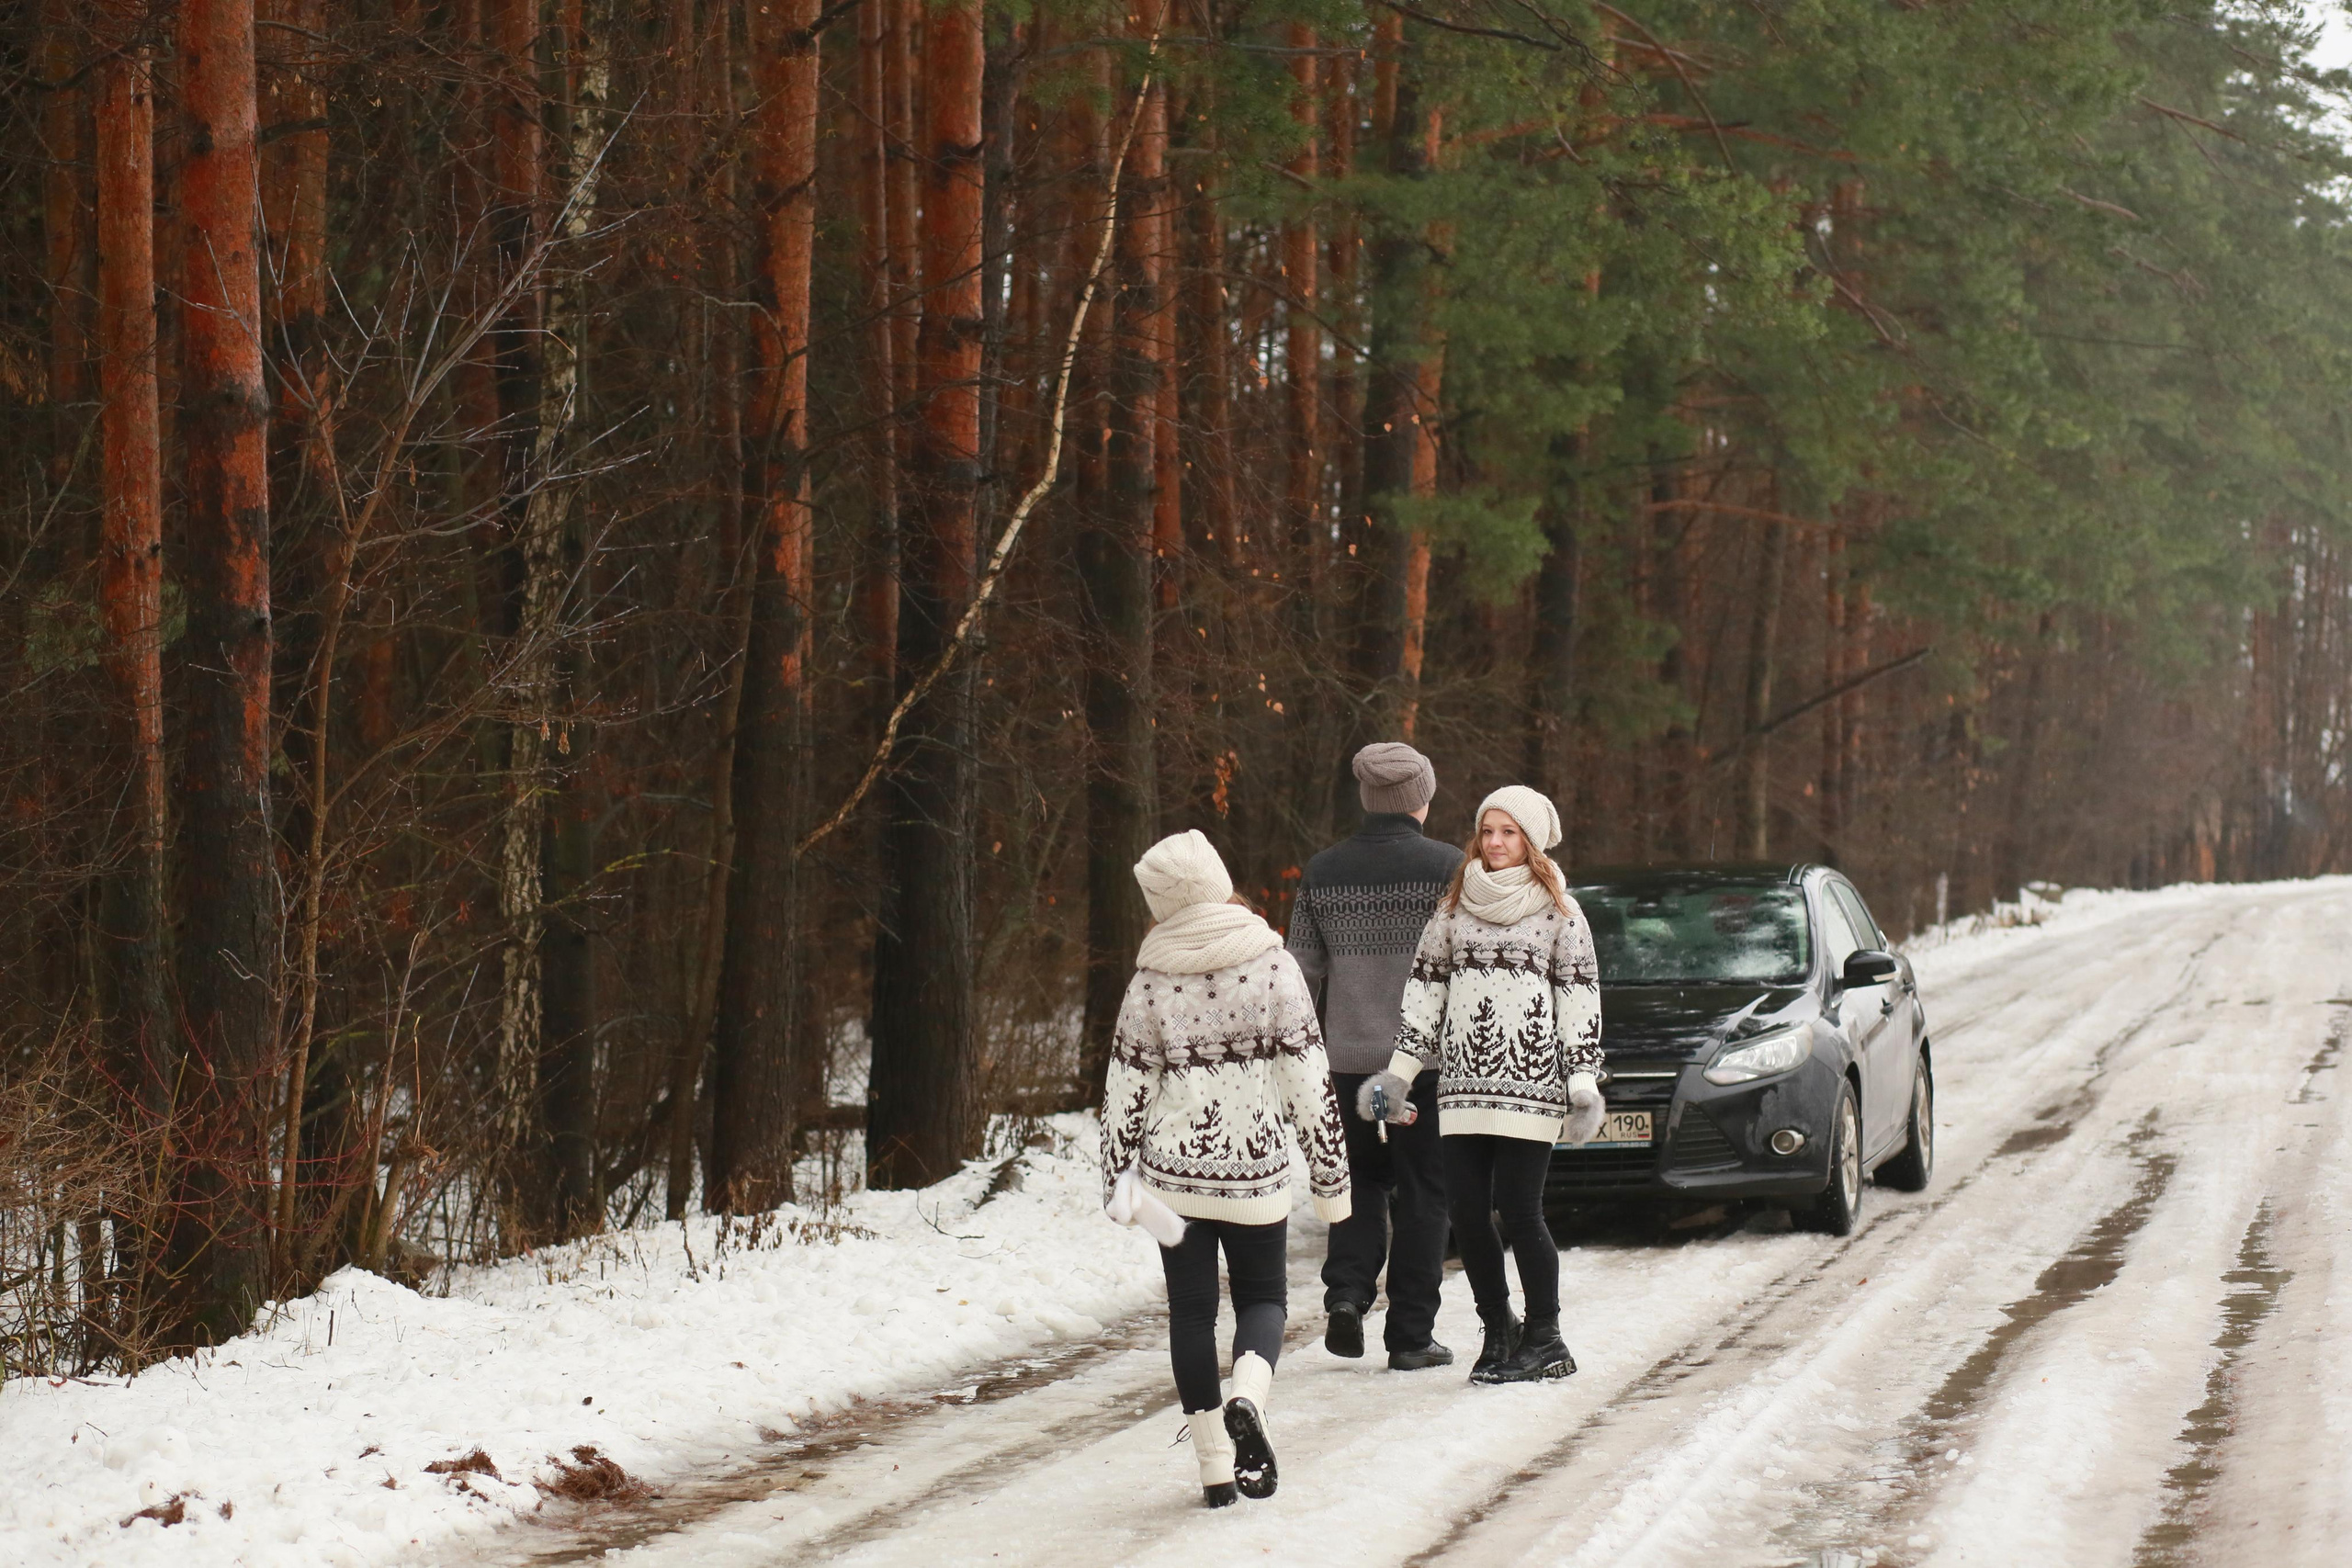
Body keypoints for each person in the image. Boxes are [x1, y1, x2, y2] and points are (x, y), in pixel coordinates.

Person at [1100, 829, 1352, 1507]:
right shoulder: (1272, 966)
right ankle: (1249, 1394)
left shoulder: (1150, 980)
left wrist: (1115, 1182)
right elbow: (1309, 1083)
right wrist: (1331, 1180)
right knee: (1263, 1299)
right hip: (1256, 1175)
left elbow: (1124, 1093)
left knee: (1190, 1313)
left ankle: (1214, 1468)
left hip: (1171, 1183)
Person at [1358, 785, 1607, 1383]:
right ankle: (1500, 1329)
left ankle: (1546, 1336)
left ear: (1532, 840)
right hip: (1463, 1086)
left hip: (1531, 1084)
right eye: (1488, 830)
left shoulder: (1561, 913)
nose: (1495, 842)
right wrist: (1399, 1072)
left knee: (1521, 1211)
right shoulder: (1453, 909)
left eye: (1509, 832)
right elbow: (1425, 995)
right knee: (1467, 1216)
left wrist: (1581, 1080)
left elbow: (1579, 1000)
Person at [1285, 742, 1460, 1370]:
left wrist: (1299, 1058)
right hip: (1426, 1067)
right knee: (1424, 1191)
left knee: (1357, 1180)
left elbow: (1298, 973)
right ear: (1420, 798)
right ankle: (1411, 1334)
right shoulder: (1449, 869)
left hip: (1348, 1061)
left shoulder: (1323, 870)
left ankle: (1347, 1296)